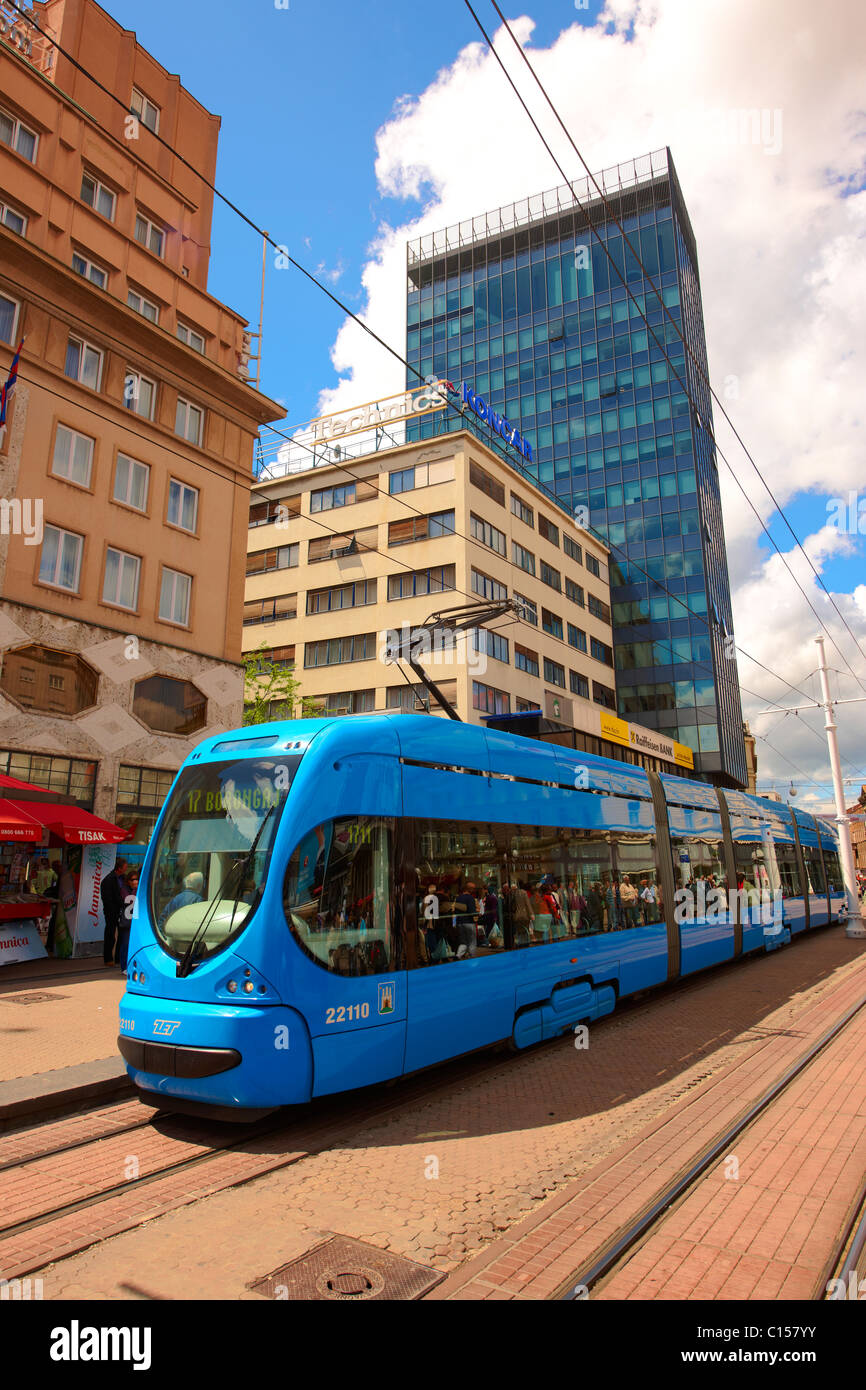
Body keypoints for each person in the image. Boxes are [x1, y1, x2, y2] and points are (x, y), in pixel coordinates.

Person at [101, 857, 129, 965]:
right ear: (120, 868)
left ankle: (118, 958)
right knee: (110, 935)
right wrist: (115, 908)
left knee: (122, 935)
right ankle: (108, 958)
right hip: (112, 912)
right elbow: (107, 898)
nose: (126, 869)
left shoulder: (122, 878)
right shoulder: (109, 879)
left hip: (121, 910)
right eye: (125, 867)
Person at [117, 868, 139, 971]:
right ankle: (124, 967)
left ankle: (132, 965)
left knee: (135, 944)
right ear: (128, 881)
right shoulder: (124, 889)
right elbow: (129, 899)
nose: (136, 881)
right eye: (133, 879)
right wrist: (135, 889)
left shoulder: (139, 889)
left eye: (137, 879)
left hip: (136, 921)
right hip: (126, 922)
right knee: (125, 944)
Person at [453, 879, 478, 958]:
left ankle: (458, 955)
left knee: (463, 942)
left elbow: (456, 911)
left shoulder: (458, 898)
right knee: (472, 942)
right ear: (469, 889)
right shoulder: (470, 898)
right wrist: (477, 913)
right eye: (473, 888)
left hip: (460, 922)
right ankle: (472, 957)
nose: (474, 890)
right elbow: (472, 911)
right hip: (469, 922)